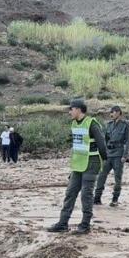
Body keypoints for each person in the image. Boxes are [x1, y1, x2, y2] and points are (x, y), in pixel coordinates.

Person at [47, 99, 107, 234]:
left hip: (91, 163)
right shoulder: (74, 124)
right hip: (78, 165)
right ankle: (63, 224)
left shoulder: (92, 124)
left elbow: (102, 145)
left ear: (79, 109)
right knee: (70, 193)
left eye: (71, 109)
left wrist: (104, 162)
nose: (69, 112)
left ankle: (85, 225)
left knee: (86, 195)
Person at [94, 106, 129, 207]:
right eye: (110, 112)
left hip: (119, 155)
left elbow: (128, 141)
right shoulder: (109, 125)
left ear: (119, 113)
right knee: (101, 175)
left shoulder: (125, 125)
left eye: (113, 112)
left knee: (117, 178)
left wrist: (125, 155)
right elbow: (105, 140)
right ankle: (97, 198)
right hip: (108, 154)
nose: (111, 114)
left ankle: (115, 199)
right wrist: (103, 153)